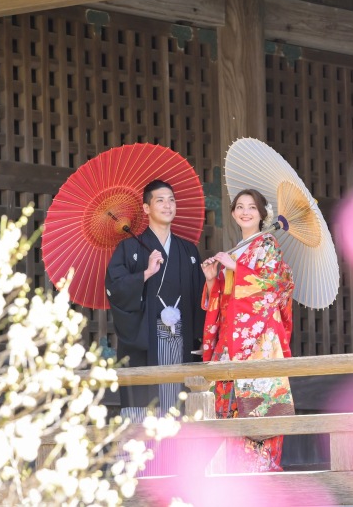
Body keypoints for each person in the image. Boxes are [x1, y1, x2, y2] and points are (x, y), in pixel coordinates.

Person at [201, 189, 295, 473]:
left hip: (259, 344)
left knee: (258, 409)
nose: (245, 212)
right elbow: (224, 298)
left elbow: (276, 287)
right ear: (232, 213)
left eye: (251, 207)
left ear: (261, 214)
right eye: (239, 207)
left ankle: (261, 477)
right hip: (230, 341)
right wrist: (211, 280)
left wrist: (237, 269)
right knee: (228, 410)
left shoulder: (267, 245)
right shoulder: (238, 247)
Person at [105, 179, 205, 422]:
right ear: (147, 208)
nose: (167, 205)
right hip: (146, 338)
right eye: (160, 200)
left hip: (181, 338)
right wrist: (146, 273)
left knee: (177, 406)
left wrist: (202, 335)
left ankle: (176, 459)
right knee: (146, 410)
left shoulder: (188, 250)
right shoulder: (129, 248)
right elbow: (115, 288)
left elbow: (199, 297)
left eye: (171, 200)